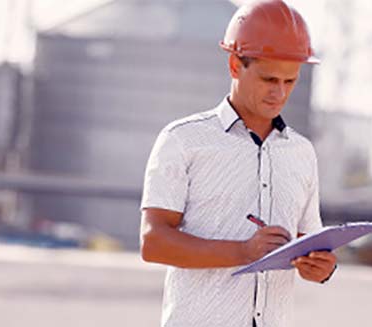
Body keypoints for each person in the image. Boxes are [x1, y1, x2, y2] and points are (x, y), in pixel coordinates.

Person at [138, 1, 336, 326]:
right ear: (234, 65)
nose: (279, 93)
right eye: (269, 79)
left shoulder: (302, 153)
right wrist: (243, 252)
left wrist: (322, 269)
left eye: (290, 81)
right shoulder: (183, 140)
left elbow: (309, 245)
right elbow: (153, 242)